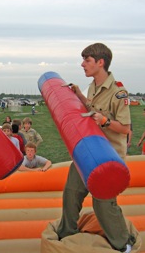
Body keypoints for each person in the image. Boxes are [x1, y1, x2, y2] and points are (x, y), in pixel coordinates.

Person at [56, 43, 135, 253]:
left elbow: (126, 128)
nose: (82, 64)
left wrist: (105, 122)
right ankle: (66, 236)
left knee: (103, 205)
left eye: (87, 60)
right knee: (71, 192)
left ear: (101, 62)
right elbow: (91, 108)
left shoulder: (118, 91)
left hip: (108, 157)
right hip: (88, 151)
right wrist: (79, 97)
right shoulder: (92, 86)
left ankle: (123, 244)